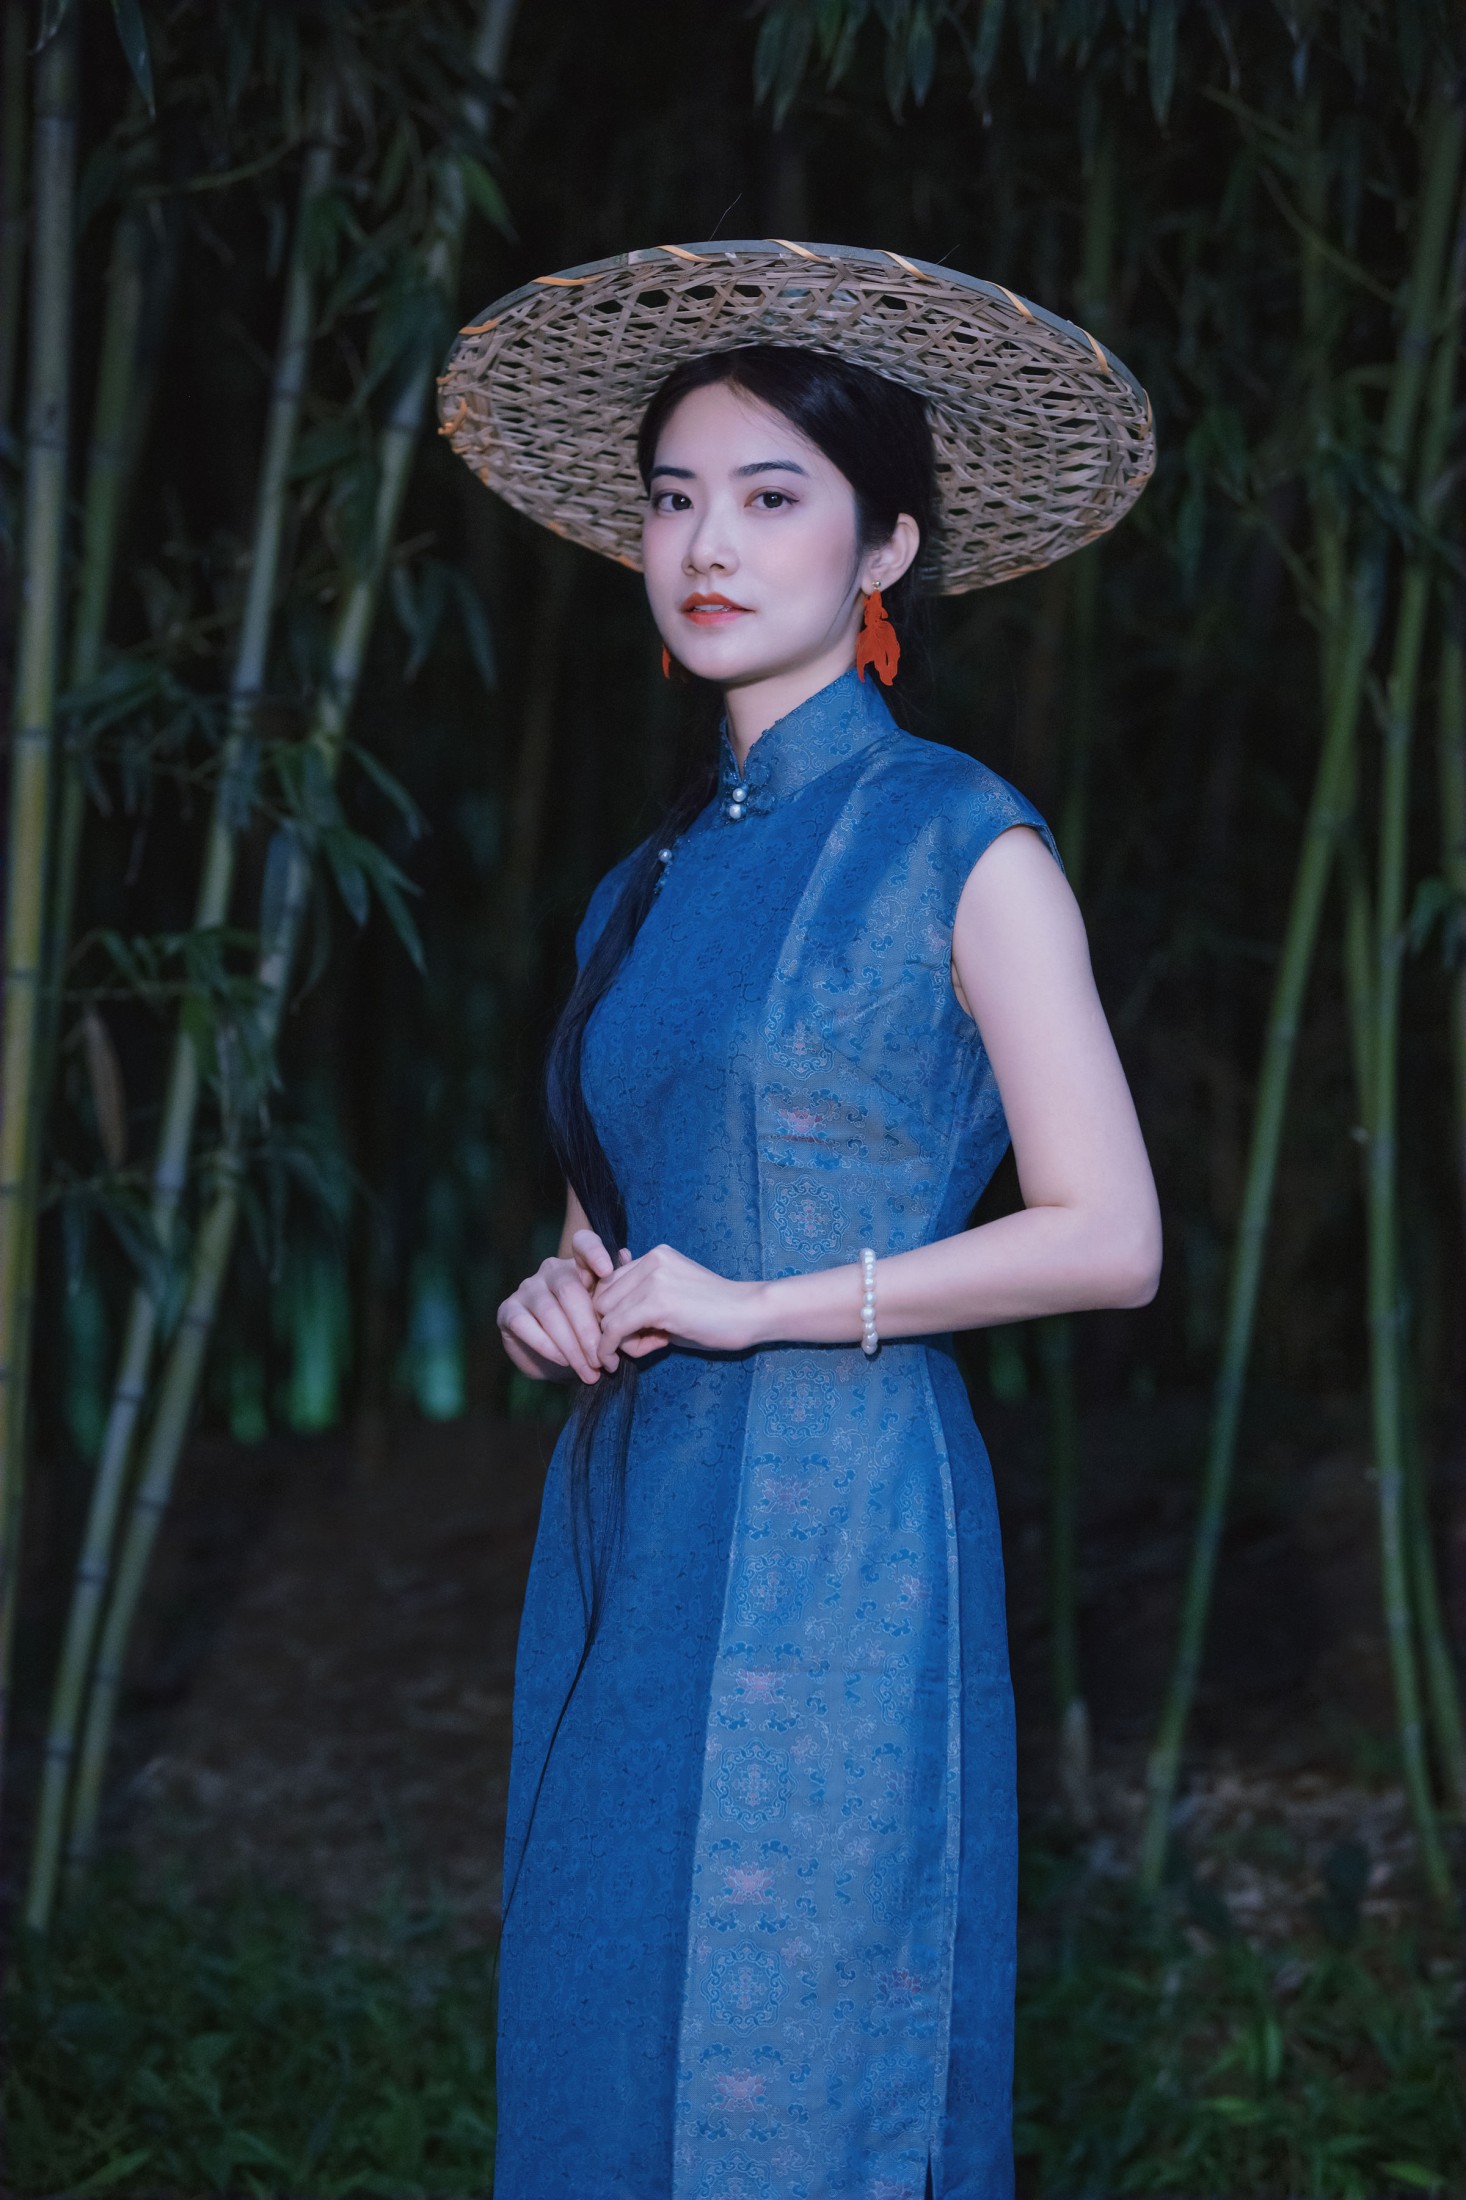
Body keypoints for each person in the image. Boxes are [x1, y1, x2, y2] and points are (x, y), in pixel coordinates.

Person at [439, 243, 1161, 2200]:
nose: (705, 544)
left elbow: (1109, 1235)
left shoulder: (959, 836)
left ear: (885, 547)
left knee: (804, 2044)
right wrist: (552, 1297)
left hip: (843, 1520)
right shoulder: (638, 889)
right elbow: (603, 1228)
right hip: (637, 1509)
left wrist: (758, 1305)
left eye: (772, 497)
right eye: (673, 497)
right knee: (609, 2009)